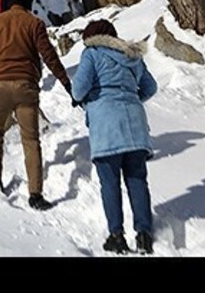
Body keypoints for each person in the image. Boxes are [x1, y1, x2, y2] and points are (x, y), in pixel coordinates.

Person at [70, 18, 158, 254]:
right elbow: (150, 87)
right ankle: (144, 234)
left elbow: (78, 90)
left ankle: (117, 236)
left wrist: (90, 99)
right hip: (135, 123)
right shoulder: (132, 55)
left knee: (110, 182)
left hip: (106, 124)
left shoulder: (92, 53)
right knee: (137, 179)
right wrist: (130, 98)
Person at [0, 0, 72, 211]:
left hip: (0, 86)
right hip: (26, 86)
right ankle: (35, 194)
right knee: (31, 140)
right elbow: (49, 55)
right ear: (27, 5)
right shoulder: (34, 23)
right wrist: (66, 82)